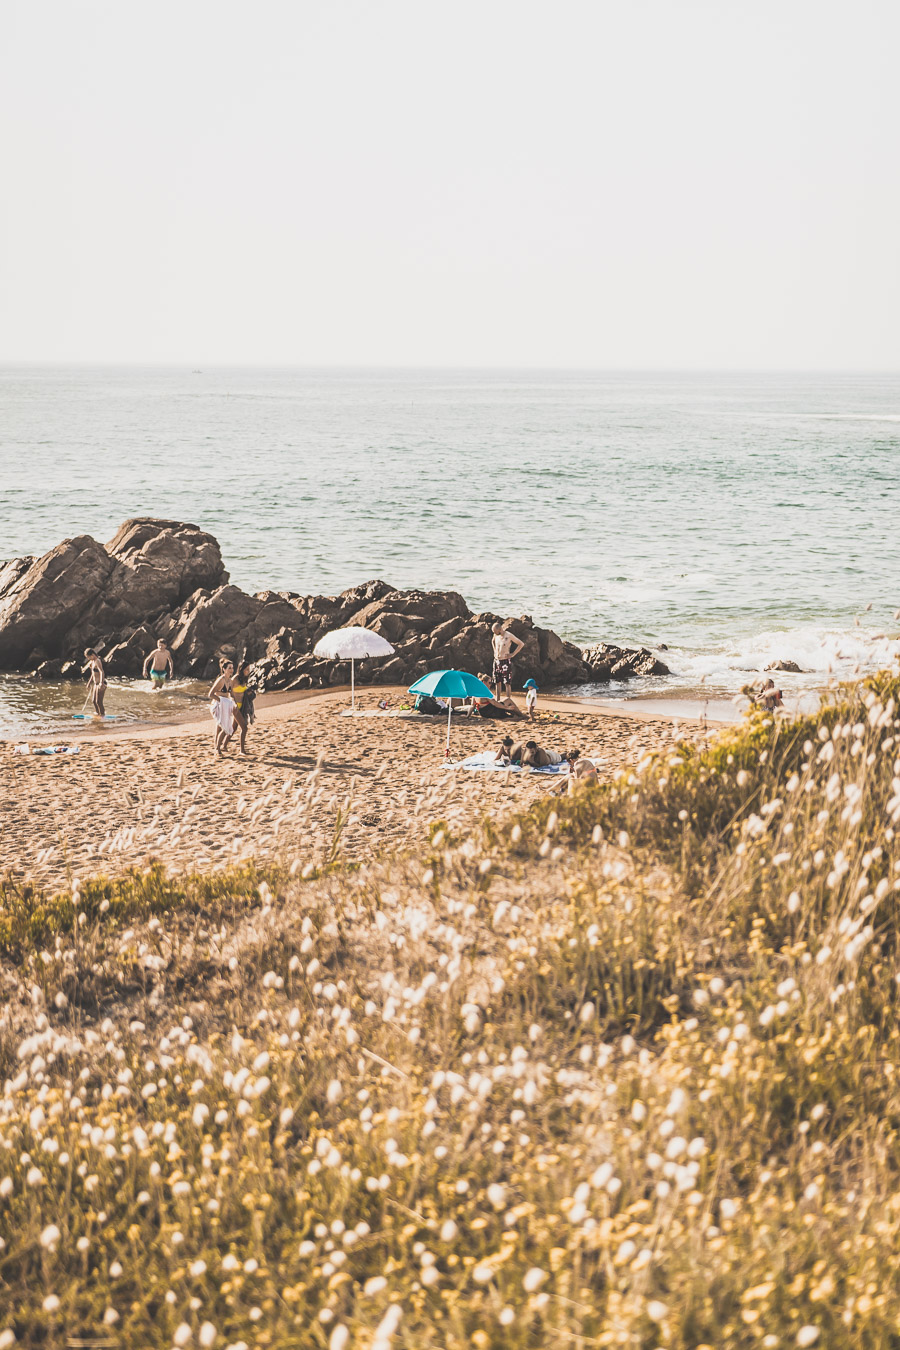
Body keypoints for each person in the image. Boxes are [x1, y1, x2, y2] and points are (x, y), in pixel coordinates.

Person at [208, 657, 237, 755]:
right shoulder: (221, 680)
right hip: (218, 705)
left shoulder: (230, 681)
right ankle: (217, 748)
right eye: (229, 668)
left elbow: (232, 694)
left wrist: (235, 703)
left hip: (225, 705)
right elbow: (210, 694)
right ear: (224, 669)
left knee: (220, 727)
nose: (231, 670)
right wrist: (221, 701)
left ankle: (217, 746)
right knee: (222, 727)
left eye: (232, 668)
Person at [491, 622, 525, 700]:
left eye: (495, 631)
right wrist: (495, 650)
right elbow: (492, 641)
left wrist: (512, 654)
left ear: (500, 629)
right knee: (497, 681)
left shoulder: (508, 635)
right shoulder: (495, 635)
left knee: (507, 682)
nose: (494, 633)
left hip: (505, 661)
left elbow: (521, 644)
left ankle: (508, 700)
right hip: (496, 660)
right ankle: (498, 699)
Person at [231, 660, 256, 755]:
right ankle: (242, 750)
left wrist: (248, 691)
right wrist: (233, 702)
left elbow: (242, 691)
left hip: (242, 707)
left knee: (233, 728)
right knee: (244, 728)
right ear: (241, 669)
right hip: (235, 707)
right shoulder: (235, 678)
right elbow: (229, 691)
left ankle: (224, 745)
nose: (248, 671)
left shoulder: (244, 678)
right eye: (246, 669)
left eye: (249, 669)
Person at [82, 649, 107, 717]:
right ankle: (97, 713)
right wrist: (89, 683)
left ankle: (102, 715)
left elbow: (102, 672)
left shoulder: (97, 661)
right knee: (94, 701)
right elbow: (93, 674)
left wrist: (101, 683)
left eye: (88, 657)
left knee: (99, 702)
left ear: (92, 655)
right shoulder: (91, 662)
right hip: (96, 684)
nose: (88, 658)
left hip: (101, 683)